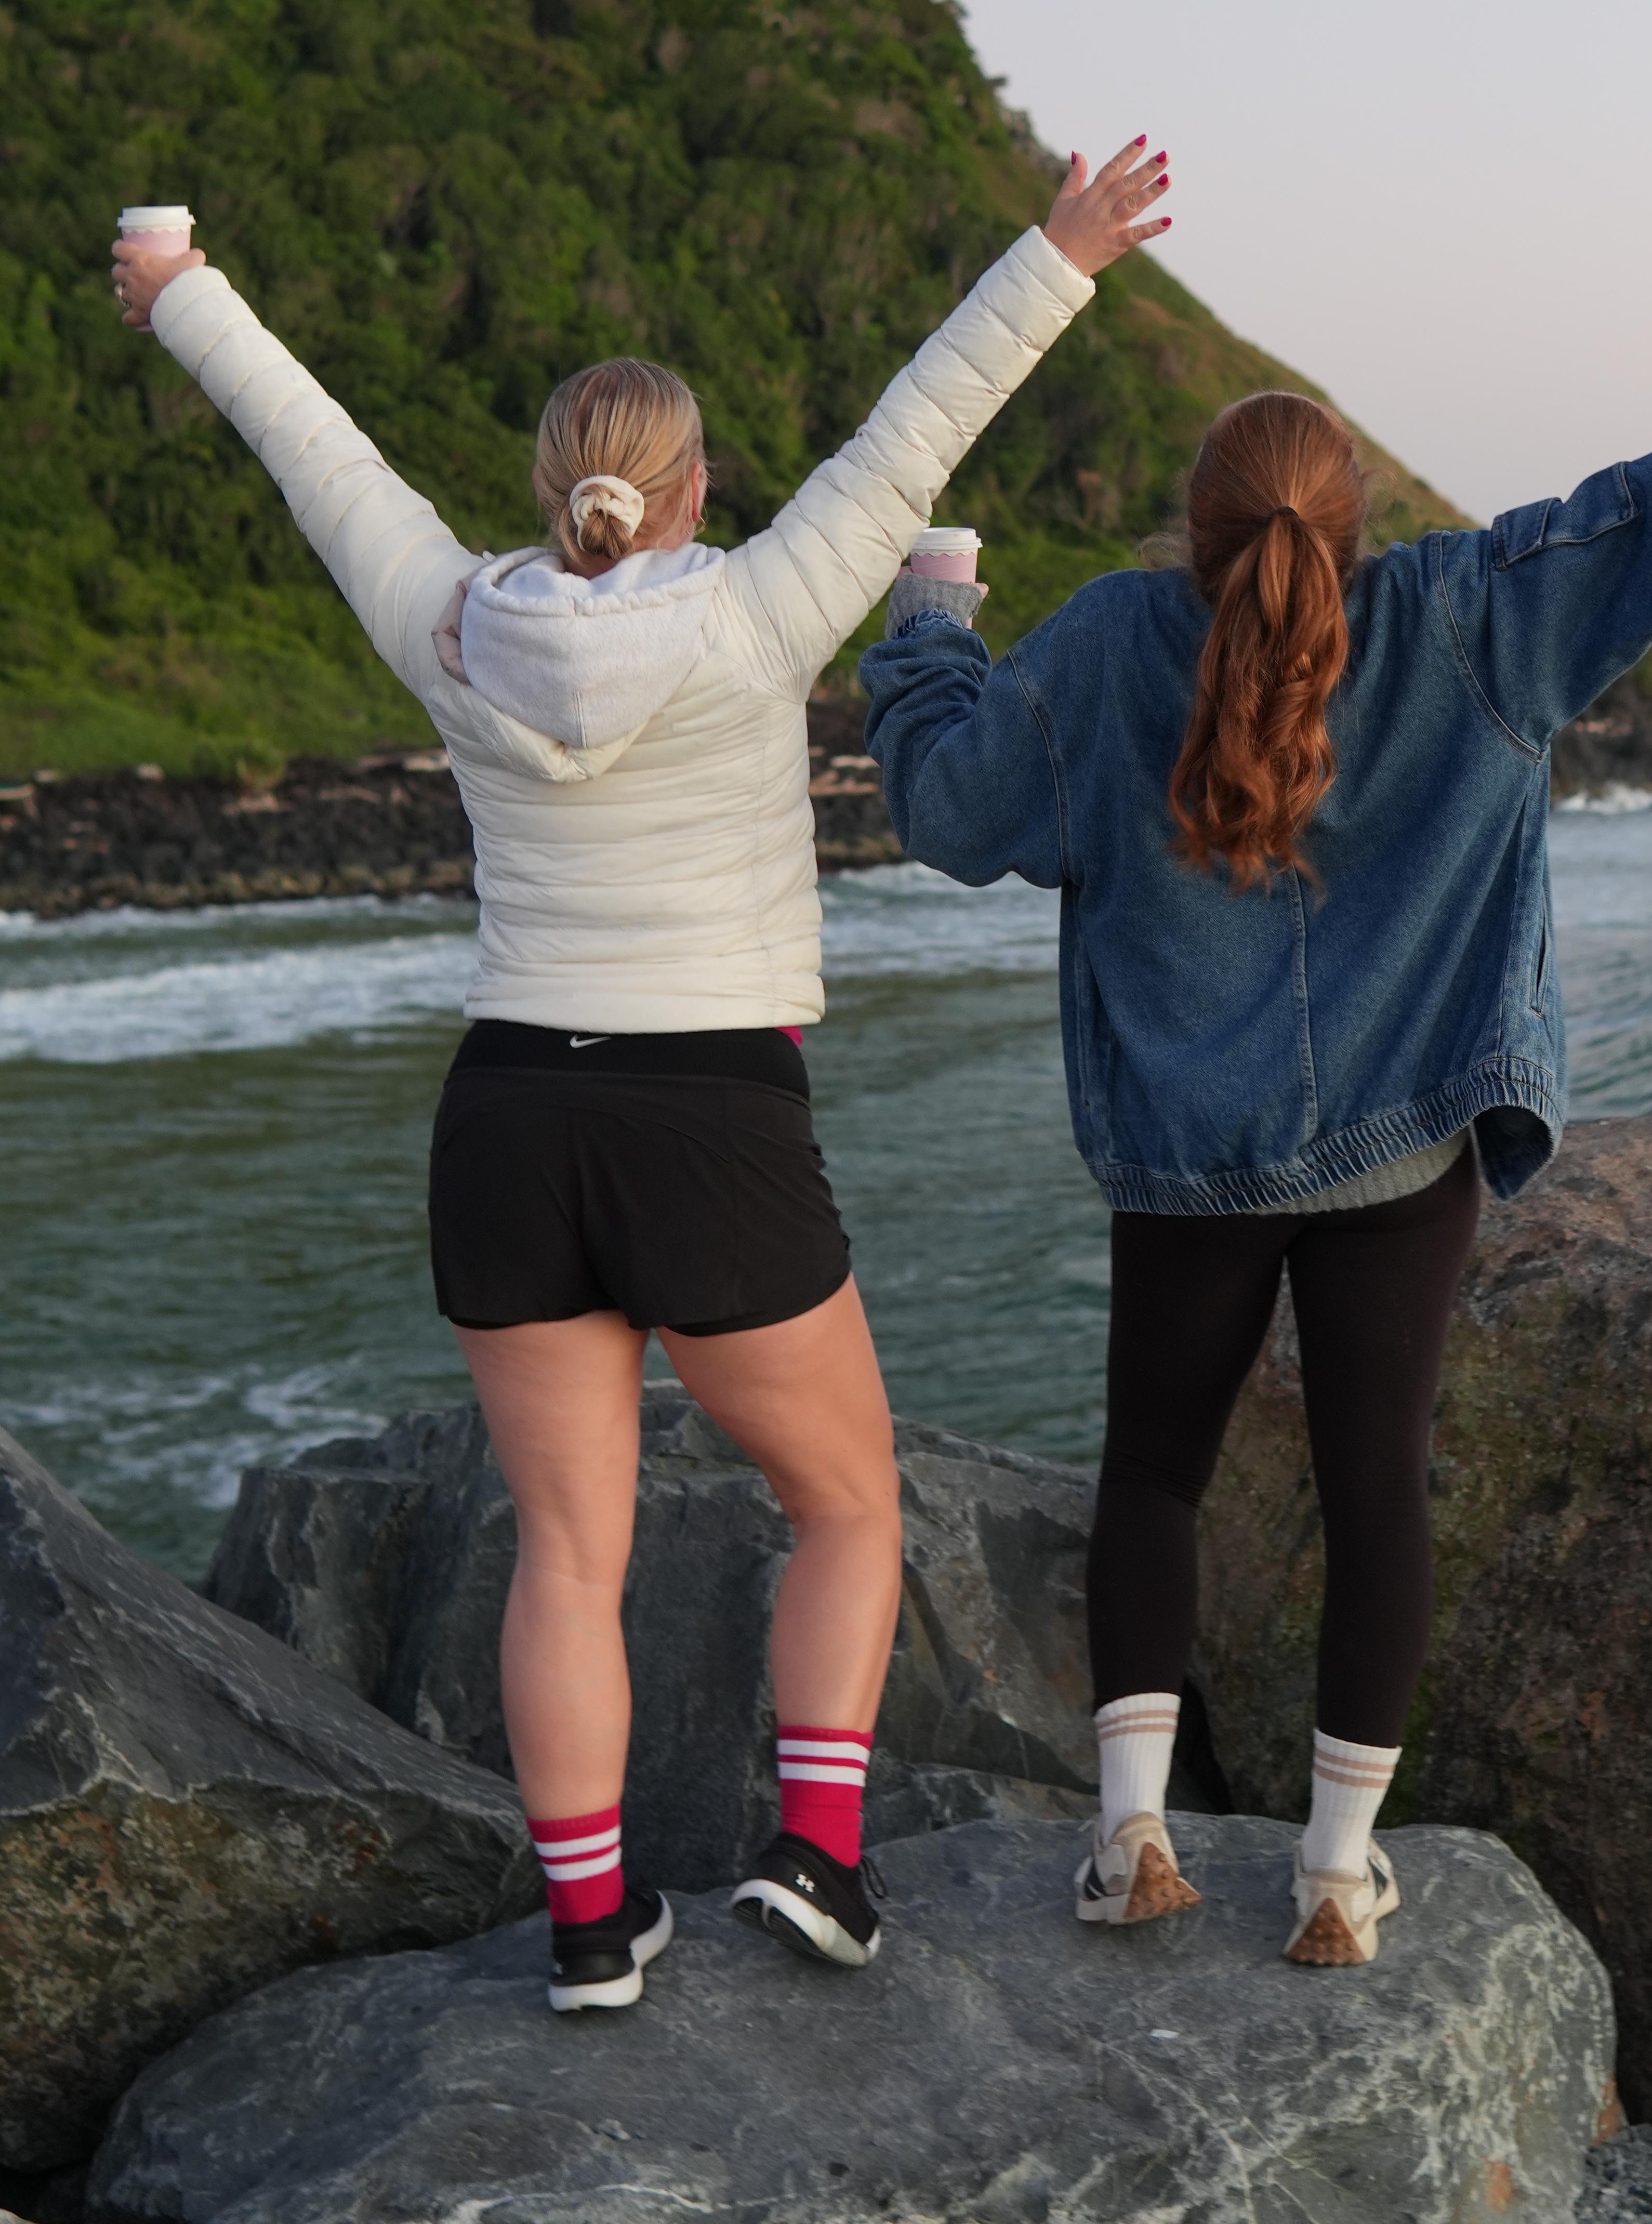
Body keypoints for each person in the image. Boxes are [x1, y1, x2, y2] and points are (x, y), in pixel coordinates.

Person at [111, 135, 1171, 2010]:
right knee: (846, 1503)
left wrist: (180, 285)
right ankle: (822, 1862)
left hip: (512, 1118)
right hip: (709, 1121)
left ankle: (591, 1929)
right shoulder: (758, 610)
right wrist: (1066, 248)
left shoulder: (450, 621)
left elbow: (314, 449)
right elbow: (920, 428)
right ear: (695, 488)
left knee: (568, 1550)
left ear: (552, 488)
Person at [859, 337, 1652, 1967]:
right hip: (1403, 1152)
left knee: (1155, 1473)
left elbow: (953, 814)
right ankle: (1331, 1876)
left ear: (1195, 527)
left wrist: (932, 629)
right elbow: (1645, 523)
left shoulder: (1104, 644)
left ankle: (1131, 1842)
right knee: (1378, 1493)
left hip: (1188, 1156)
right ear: (1354, 524)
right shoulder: (1465, 613)